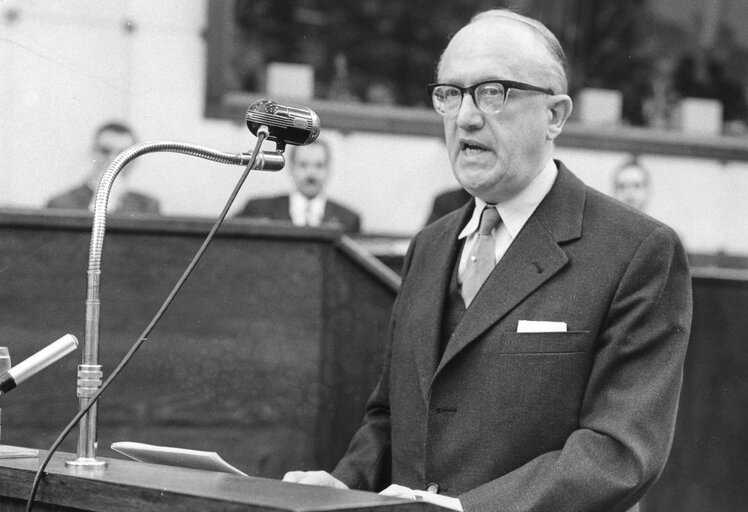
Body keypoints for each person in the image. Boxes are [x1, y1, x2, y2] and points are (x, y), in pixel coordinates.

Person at [283, 9, 692, 512]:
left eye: (494, 92)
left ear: (555, 115)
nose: (466, 116)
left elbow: (619, 452)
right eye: (450, 93)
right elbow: (391, 416)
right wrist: (347, 483)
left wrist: (465, 510)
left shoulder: (635, 250)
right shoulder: (430, 246)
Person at [236, 139, 361, 233]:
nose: (311, 174)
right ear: (291, 169)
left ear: (329, 170)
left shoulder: (349, 220)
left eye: (319, 165)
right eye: (303, 165)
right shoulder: (259, 209)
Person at [45, 121, 160, 214]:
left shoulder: (147, 206)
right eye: (105, 151)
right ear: (92, 153)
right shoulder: (60, 204)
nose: (113, 159)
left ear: (134, 159)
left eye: (123, 153)